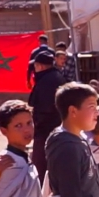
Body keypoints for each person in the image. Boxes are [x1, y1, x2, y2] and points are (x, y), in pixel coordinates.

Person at [28, 51, 68, 185]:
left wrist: (36, 125)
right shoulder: (54, 77)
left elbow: (45, 109)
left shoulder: (47, 82)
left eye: (35, 66)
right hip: (54, 128)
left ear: (40, 66)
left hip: (46, 131)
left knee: (42, 167)